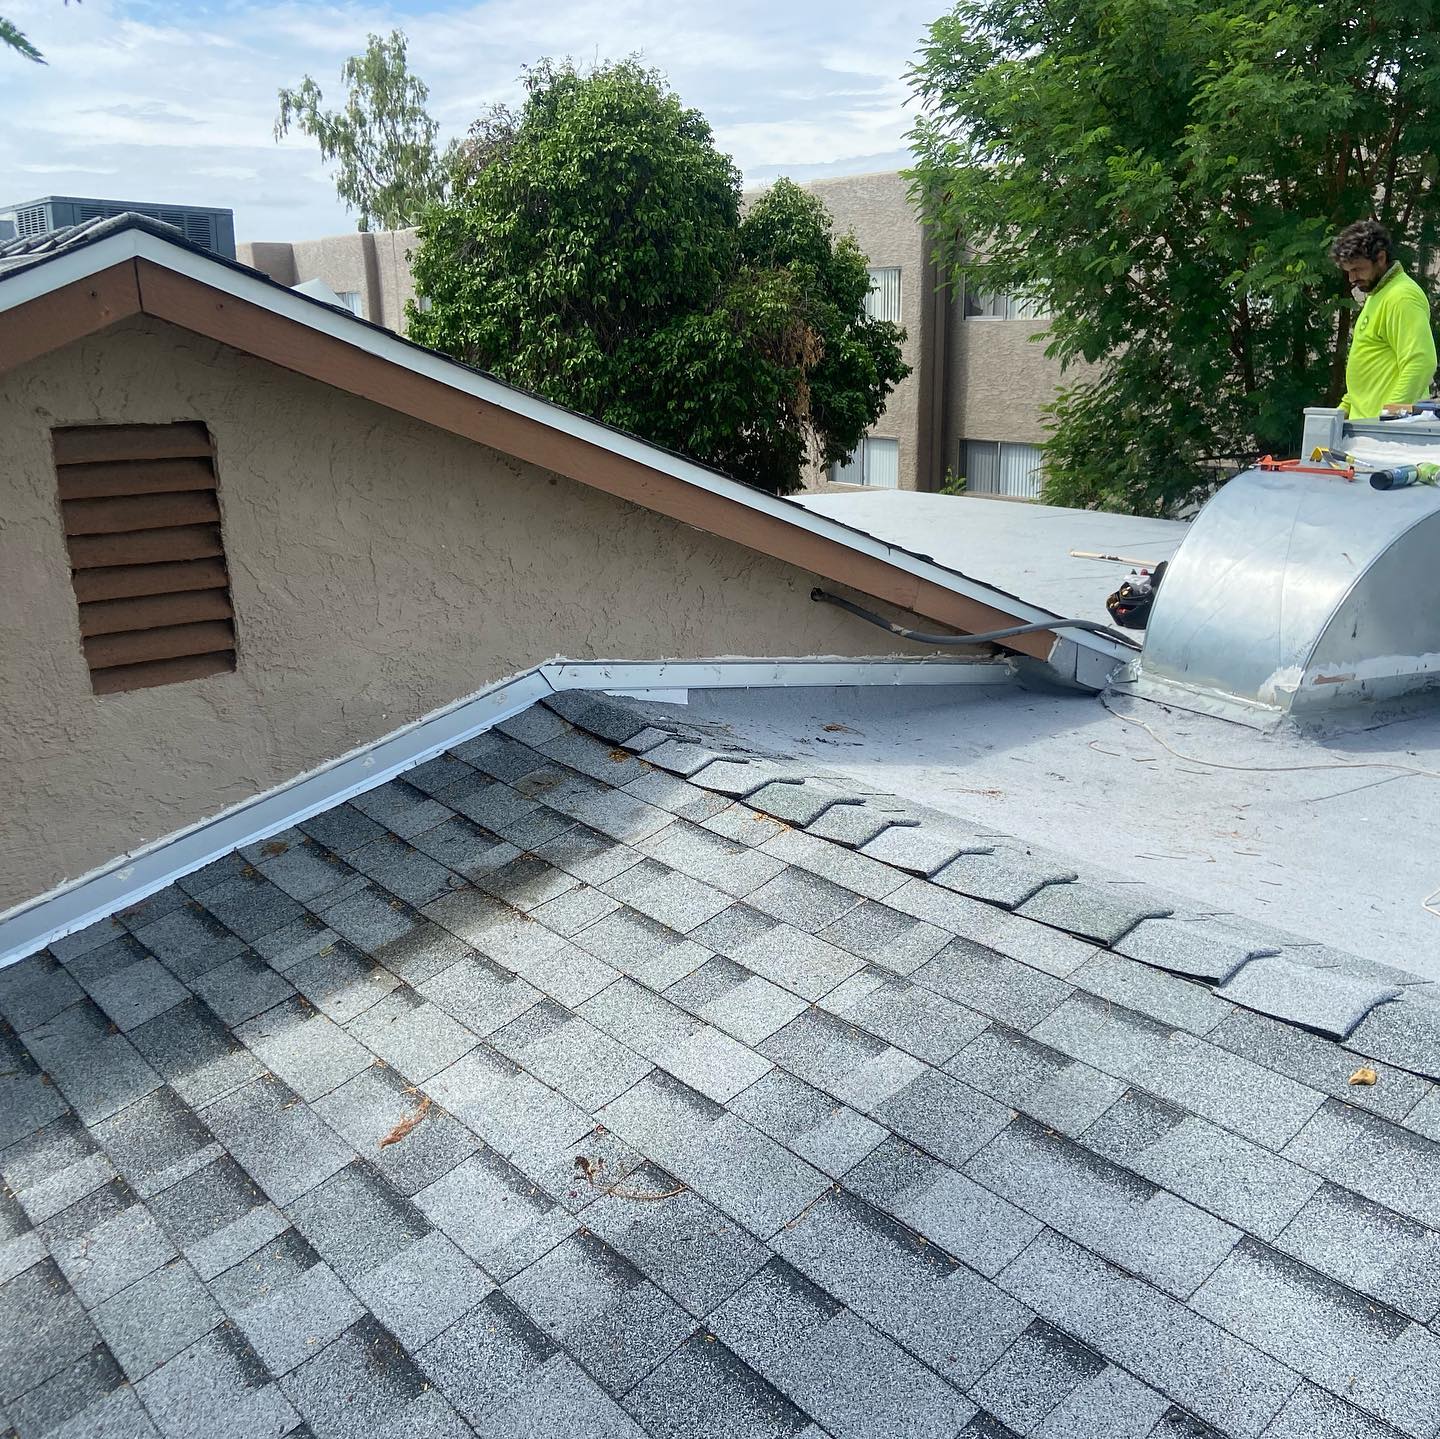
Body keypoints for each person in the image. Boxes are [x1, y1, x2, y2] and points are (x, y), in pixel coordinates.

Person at [1331, 219, 1437, 421]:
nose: (1352, 278)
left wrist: (1388, 419)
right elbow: (1369, 374)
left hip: (1385, 438)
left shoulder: (1402, 296)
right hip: (1368, 431)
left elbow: (1421, 362)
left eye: (1358, 269)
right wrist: (1341, 412)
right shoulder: (1378, 295)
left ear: (1380, 258)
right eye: (1349, 271)